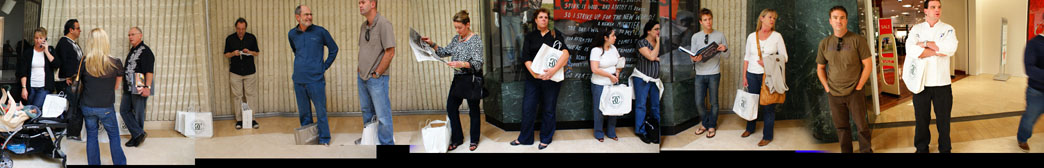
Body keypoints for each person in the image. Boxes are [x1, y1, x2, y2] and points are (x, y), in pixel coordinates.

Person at [422, 10, 483, 151]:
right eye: (455, 27)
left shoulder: (476, 40)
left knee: (473, 110)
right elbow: (443, 52)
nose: (457, 30)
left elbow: (478, 63)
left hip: (472, 78)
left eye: (460, 27)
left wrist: (462, 63)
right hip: (458, 78)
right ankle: (457, 139)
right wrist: (432, 44)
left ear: (468, 25)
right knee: (451, 107)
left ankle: (474, 140)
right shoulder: (456, 39)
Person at [509, 8, 570, 150]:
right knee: (528, 108)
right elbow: (526, 58)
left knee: (549, 109)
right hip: (533, 79)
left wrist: (553, 71)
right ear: (535, 20)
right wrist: (535, 74)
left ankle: (546, 138)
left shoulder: (555, 35)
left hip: (552, 79)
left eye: (546, 17)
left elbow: (565, 55)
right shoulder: (530, 36)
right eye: (541, 17)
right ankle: (524, 138)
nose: (544, 19)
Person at [816, 6, 874, 153]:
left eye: (842, 17)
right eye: (835, 17)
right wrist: (827, 87)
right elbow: (820, 68)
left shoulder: (857, 40)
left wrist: (859, 86)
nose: (838, 21)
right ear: (830, 21)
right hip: (834, 93)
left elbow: (868, 65)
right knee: (841, 127)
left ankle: (866, 150)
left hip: (855, 91)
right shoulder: (825, 43)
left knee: (861, 126)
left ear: (846, 20)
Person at [903, 0, 958, 153]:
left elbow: (950, 48)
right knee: (921, 120)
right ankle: (921, 148)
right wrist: (936, 49)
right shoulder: (917, 29)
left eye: (939, 7)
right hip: (921, 84)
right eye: (933, 7)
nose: (937, 10)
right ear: (925, 10)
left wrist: (924, 45)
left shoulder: (948, 29)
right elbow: (911, 49)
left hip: (942, 84)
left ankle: (945, 149)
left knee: (944, 120)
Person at [289, 5, 338, 146]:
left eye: (310, 14)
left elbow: (334, 49)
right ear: (298, 17)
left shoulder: (320, 32)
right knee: (304, 113)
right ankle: (308, 139)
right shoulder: (291, 34)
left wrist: (324, 66)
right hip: (298, 80)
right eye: (306, 15)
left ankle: (324, 139)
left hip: (316, 80)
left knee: (321, 112)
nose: (309, 17)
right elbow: (296, 51)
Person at [80, 28, 127, 165]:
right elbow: (116, 87)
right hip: (106, 106)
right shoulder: (115, 63)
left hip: (88, 106)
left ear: (91, 43)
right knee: (114, 136)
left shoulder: (84, 62)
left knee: (92, 136)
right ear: (105, 42)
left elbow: (84, 85)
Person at [742, 9, 788, 147]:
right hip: (751, 74)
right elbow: (746, 58)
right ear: (761, 18)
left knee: (768, 107)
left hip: (769, 76)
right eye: (770, 17)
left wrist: (768, 61)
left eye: (774, 18)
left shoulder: (777, 36)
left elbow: (784, 57)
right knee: (752, 103)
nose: (772, 20)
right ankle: (750, 128)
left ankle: (767, 136)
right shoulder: (751, 36)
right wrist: (744, 76)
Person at [355, 0, 396, 145]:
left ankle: (386, 143)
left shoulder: (384, 24)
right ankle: (370, 140)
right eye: (359, 2)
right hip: (362, 77)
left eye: (363, 2)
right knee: (367, 111)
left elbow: (390, 52)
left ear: (373, 4)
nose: (359, 4)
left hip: (377, 79)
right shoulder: (363, 26)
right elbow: (364, 49)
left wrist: (377, 73)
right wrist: (360, 69)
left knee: (383, 115)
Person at [690, 8, 729, 139]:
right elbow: (692, 55)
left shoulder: (720, 35)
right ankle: (705, 123)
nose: (708, 22)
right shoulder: (695, 37)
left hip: (714, 73)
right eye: (705, 20)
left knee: (714, 102)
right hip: (700, 73)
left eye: (710, 19)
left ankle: (711, 125)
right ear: (701, 22)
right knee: (699, 102)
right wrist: (694, 58)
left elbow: (728, 55)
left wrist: (724, 49)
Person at [224, 17, 261, 129]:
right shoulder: (230, 39)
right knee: (237, 96)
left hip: (250, 72)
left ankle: (252, 119)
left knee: (251, 96)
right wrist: (233, 53)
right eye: (239, 29)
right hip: (235, 72)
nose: (241, 31)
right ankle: (239, 120)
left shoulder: (251, 38)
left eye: (243, 29)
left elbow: (257, 53)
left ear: (246, 28)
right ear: (236, 28)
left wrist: (249, 52)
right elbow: (226, 54)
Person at [121, 27, 155, 147]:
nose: (130, 37)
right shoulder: (132, 50)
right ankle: (138, 134)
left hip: (140, 85)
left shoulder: (146, 51)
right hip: (129, 86)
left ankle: (137, 137)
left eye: (133, 34)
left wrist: (148, 87)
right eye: (129, 35)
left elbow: (149, 72)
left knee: (138, 112)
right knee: (124, 110)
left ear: (140, 35)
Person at [588, 25, 621, 143]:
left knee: (614, 107)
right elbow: (594, 69)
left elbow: (619, 62)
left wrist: (617, 72)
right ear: (605, 37)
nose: (615, 38)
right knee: (599, 109)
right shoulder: (596, 50)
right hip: (599, 83)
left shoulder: (613, 49)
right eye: (613, 35)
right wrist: (610, 76)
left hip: (613, 82)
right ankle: (598, 132)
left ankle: (611, 131)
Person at [633, 20, 662, 144]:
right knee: (641, 105)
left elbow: (662, 57)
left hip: (655, 80)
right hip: (642, 78)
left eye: (659, 29)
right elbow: (651, 57)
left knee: (655, 105)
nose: (658, 31)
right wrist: (658, 43)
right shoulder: (642, 42)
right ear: (648, 31)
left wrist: (655, 56)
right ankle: (641, 131)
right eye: (655, 29)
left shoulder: (657, 43)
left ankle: (655, 130)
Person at [56, 19, 85, 141]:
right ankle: (72, 133)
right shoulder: (64, 43)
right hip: (69, 82)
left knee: (77, 106)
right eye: (77, 28)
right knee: (73, 107)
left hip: (77, 82)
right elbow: (61, 62)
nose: (80, 30)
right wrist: (67, 77)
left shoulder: (74, 44)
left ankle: (75, 131)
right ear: (71, 30)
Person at [16, 27, 56, 109]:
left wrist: (47, 51)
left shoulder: (50, 50)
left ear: (45, 39)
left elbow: (56, 65)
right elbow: (23, 71)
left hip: (44, 87)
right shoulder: (28, 52)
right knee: (28, 109)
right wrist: (24, 88)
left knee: (35, 109)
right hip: (30, 87)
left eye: (41, 38)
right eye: (36, 38)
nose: (38, 40)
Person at [1019, 31, 1044, 152]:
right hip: (1037, 91)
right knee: (1030, 118)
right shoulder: (1034, 44)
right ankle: (1022, 138)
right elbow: (1030, 68)